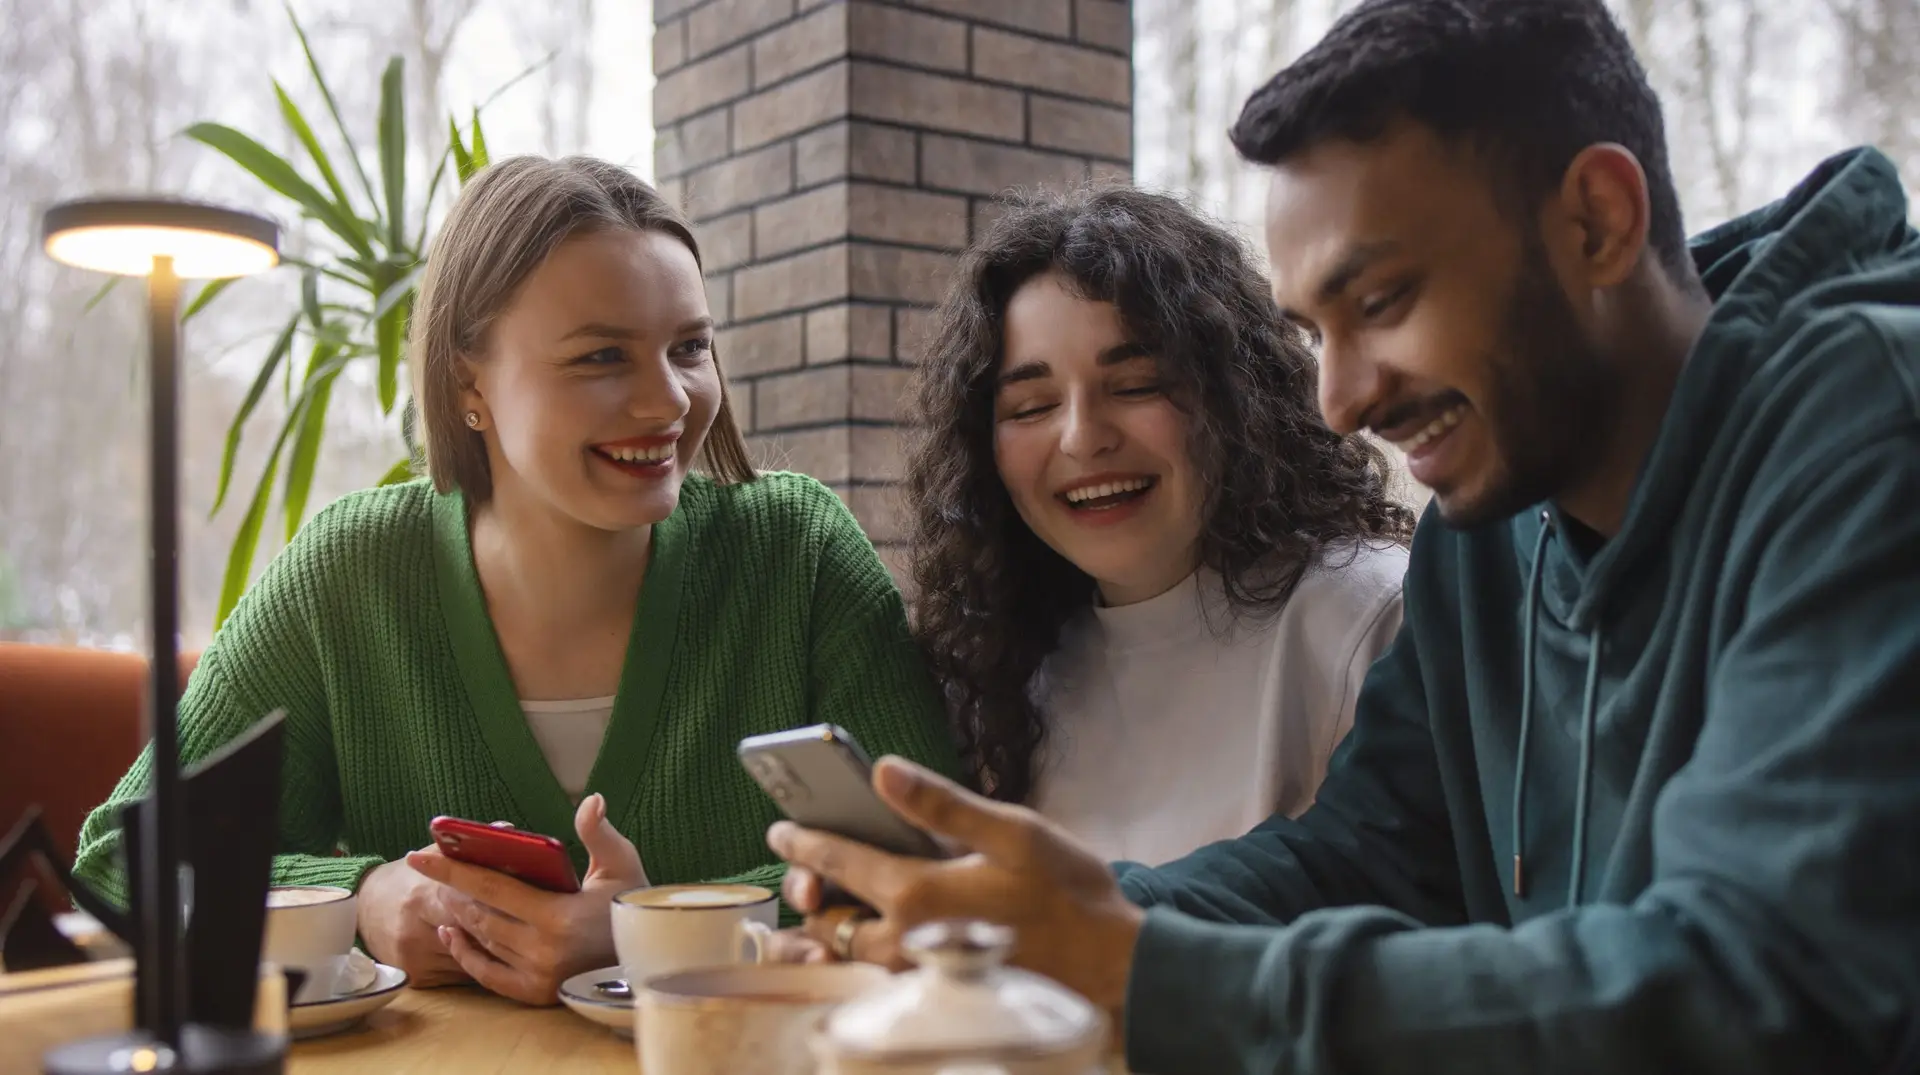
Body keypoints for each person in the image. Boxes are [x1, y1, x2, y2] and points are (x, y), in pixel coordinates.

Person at [764, 1, 1920, 1072]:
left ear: (1597, 220)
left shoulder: (1867, 428)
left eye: (1381, 303)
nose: (1341, 399)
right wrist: (1042, 919)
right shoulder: (1494, 512)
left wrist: (1139, 968)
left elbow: (1768, 980)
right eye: (1315, 329)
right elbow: (1369, 851)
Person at [72, 154, 961, 1006]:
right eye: (602, 357)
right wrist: (366, 898)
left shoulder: (795, 551)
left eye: (690, 347)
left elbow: (938, 864)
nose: (670, 401)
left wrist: (642, 929)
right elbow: (121, 858)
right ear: (470, 383)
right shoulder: (350, 575)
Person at [905, 187, 1411, 867]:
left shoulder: (1367, 614)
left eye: (1137, 385)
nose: (1082, 439)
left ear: (1238, 399)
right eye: (1031, 405)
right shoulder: (1003, 667)